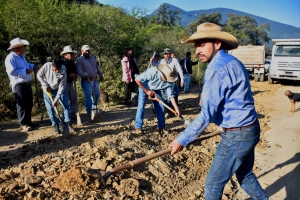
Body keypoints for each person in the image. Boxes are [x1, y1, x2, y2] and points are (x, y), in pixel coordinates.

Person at [168, 22, 269, 200]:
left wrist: (181, 139)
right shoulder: (233, 62)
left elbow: (206, 115)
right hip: (250, 128)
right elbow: (236, 99)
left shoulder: (216, 69)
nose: (198, 50)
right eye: (196, 45)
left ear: (217, 43)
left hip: (237, 135)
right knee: (245, 175)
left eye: (202, 44)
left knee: (213, 186)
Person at [134, 64, 180, 134]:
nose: (166, 80)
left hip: (156, 89)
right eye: (165, 78)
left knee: (161, 107)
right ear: (162, 74)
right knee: (141, 106)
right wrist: (147, 91)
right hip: (144, 86)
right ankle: (138, 127)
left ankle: (161, 127)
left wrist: (176, 108)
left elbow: (171, 96)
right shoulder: (152, 72)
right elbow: (137, 79)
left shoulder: (170, 81)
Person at [5, 38, 39, 131]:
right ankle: (23, 123)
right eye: (23, 47)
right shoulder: (10, 58)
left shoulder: (21, 56)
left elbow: (26, 64)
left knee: (29, 103)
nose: (24, 48)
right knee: (22, 104)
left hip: (26, 83)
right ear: (17, 48)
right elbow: (11, 71)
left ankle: (28, 121)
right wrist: (25, 71)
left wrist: (32, 66)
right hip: (19, 84)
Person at [37, 58, 74, 134]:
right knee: (49, 108)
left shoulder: (63, 71)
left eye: (59, 69)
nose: (57, 71)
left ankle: (67, 123)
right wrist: (44, 84)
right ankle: (55, 124)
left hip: (57, 89)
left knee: (66, 105)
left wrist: (56, 100)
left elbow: (62, 87)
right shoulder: (46, 66)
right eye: (55, 69)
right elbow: (39, 75)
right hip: (47, 90)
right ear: (52, 65)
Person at [76, 45, 104, 118]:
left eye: (89, 50)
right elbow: (79, 71)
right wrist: (87, 75)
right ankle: (89, 111)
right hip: (86, 81)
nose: (88, 52)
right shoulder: (80, 60)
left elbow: (96, 67)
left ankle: (94, 108)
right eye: (86, 51)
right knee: (88, 96)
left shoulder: (92, 58)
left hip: (94, 80)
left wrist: (100, 74)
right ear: (82, 51)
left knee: (97, 94)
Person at [60, 45, 78, 121]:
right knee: (65, 99)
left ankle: (72, 113)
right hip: (63, 83)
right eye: (71, 53)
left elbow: (74, 71)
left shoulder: (72, 63)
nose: (72, 55)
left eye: (72, 54)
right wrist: (69, 75)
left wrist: (74, 76)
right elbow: (59, 73)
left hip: (70, 83)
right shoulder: (61, 62)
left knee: (73, 98)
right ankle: (65, 115)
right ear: (66, 54)